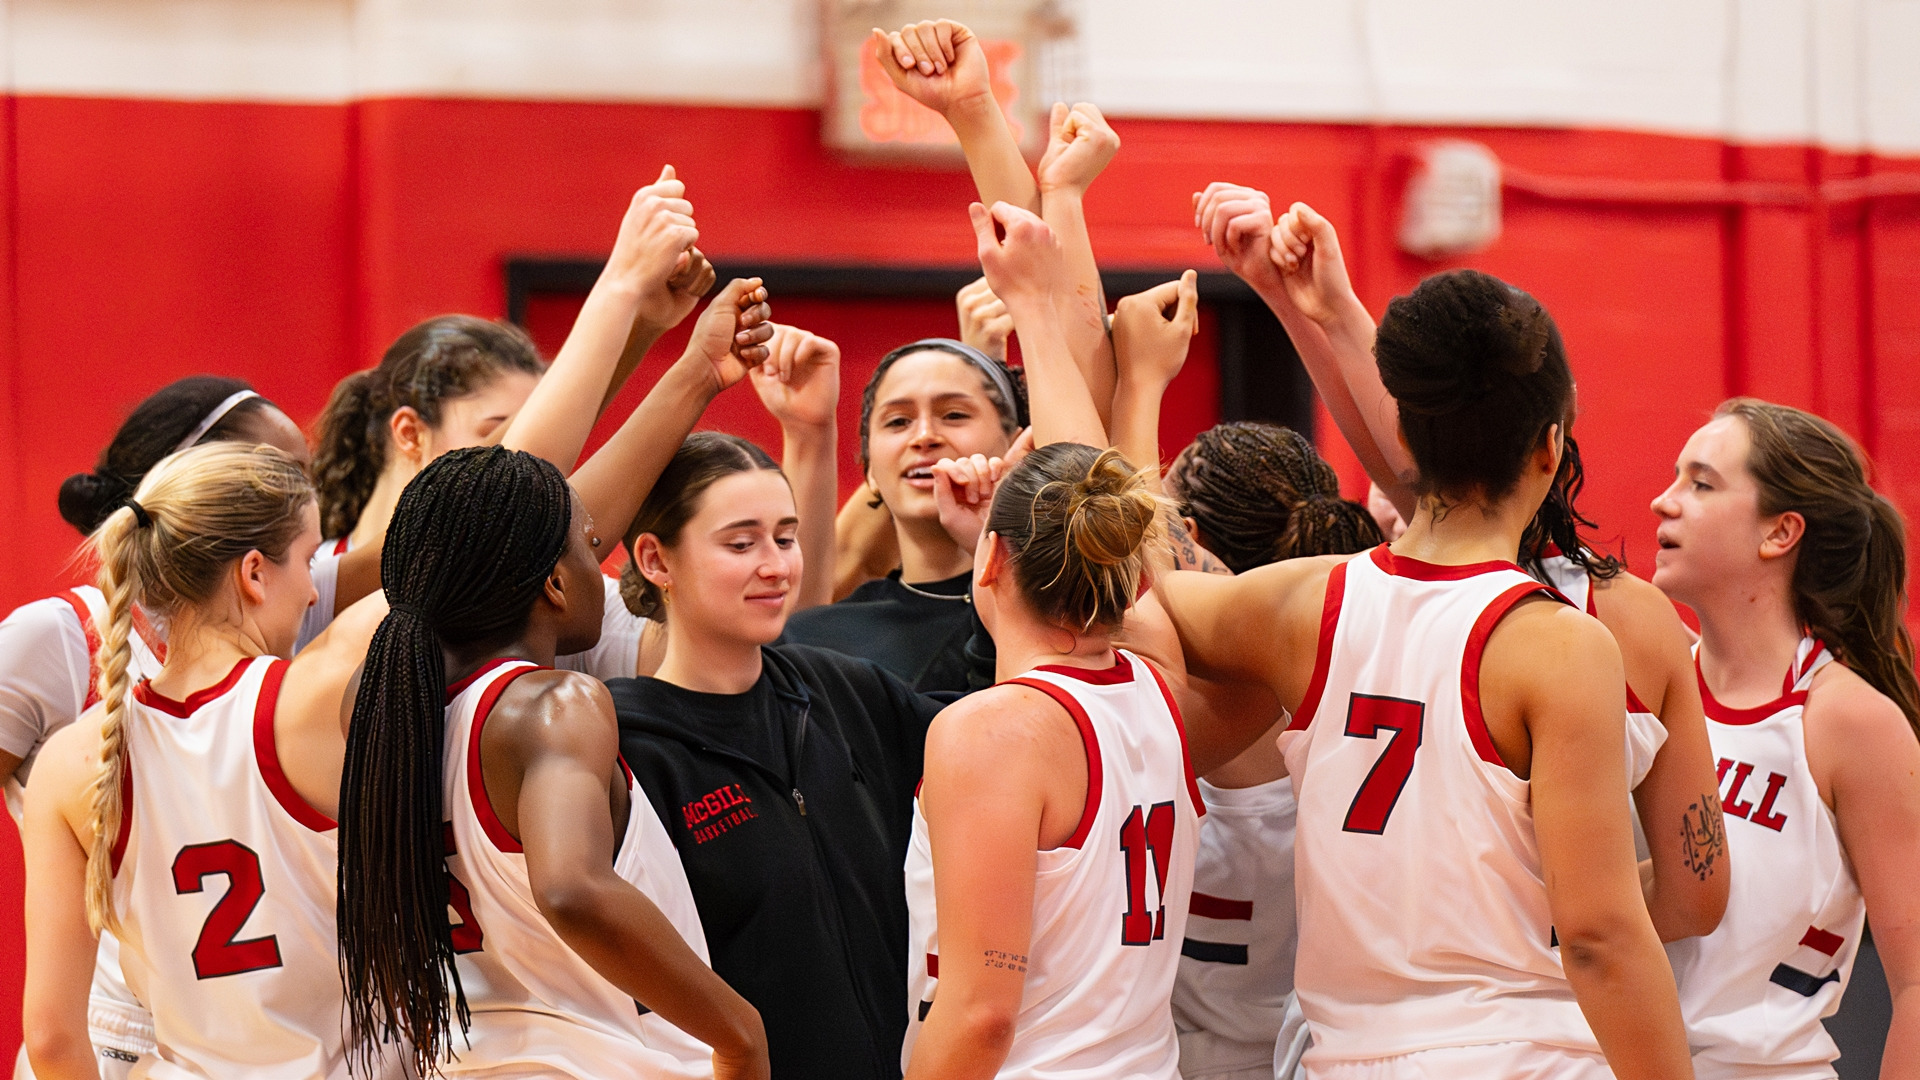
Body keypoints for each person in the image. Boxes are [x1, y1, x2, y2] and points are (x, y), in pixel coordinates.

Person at [1158, 269, 1692, 1079]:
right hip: (1521, 1057)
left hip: (1346, 1059)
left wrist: (1092, 357)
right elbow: (1599, 936)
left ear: (1403, 438)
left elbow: (1137, 588)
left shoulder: (1302, 603)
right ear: (1551, 446)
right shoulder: (1562, 645)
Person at [1196, 184, 1729, 943]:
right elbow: (1694, 896)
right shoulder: (1626, 618)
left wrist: (1308, 306)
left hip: (1339, 1012)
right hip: (1535, 1006)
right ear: (1557, 428)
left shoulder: (1329, 596)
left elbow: (1404, 458)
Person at [336, 445, 768, 1080]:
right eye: (590, 545)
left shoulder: (381, 707)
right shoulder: (553, 704)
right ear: (555, 584)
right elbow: (571, 888)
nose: (601, 563)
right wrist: (741, 1034)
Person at [611, 428, 981, 1080]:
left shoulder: (843, 689)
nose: (776, 566)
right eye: (741, 544)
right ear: (655, 559)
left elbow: (997, 745)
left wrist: (989, 557)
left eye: (785, 538)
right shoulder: (631, 748)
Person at [1, 375, 310, 1078]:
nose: (301, 487)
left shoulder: (284, 613)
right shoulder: (59, 635)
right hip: (109, 1033)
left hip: (208, 1037)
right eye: (282, 470)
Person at [307, 166, 733, 656]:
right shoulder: (306, 579)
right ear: (409, 431)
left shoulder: (558, 582)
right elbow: (499, 496)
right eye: (499, 428)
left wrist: (643, 326)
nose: (553, 442)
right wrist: (620, 288)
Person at [1650, 399, 1920, 1080]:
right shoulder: (1646, 684)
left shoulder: (1848, 720)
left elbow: (1917, 984)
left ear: (1780, 532)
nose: (1663, 501)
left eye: (1700, 484)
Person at [1155, 422, 1381, 1080]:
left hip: (1183, 1060)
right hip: (1330, 1053)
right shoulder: (1363, 674)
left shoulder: (1177, 705)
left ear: (1189, 542)